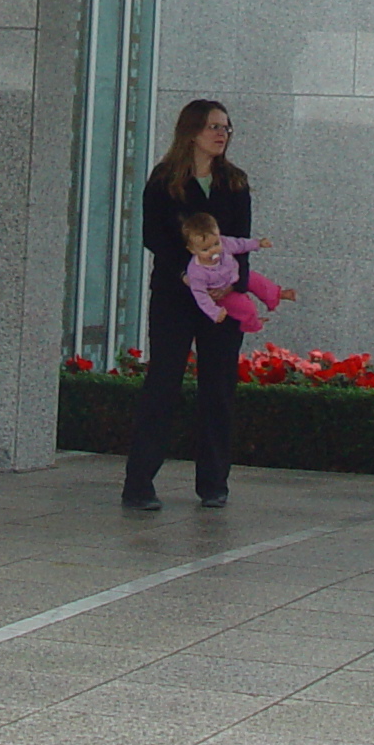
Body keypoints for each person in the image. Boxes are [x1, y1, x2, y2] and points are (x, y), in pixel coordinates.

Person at [121, 99, 252, 511]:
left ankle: (214, 483)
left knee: (218, 388)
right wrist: (188, 274)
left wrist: (230, 284)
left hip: (222, 300)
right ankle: (139, 482)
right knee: (163, 384)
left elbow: (241, 241)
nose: (222, 134)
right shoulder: (165, 181)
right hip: (175, 297)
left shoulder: (234, 182)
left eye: (227, 128)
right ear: (191, 131)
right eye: (214, 126)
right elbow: (154, 237)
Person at [180, 214, 293, 331]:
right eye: (205, 249)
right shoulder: (196, 272)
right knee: (247, 308)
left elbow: (240, 244)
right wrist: (214, 312)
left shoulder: (225, 244)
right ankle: (253, 324)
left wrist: (257, 243)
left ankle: (276, 294)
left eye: (216, 244)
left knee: (259, 282)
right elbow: (200, 295)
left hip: (234, 275)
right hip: (222, 292)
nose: (213, 250)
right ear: (192, 250)